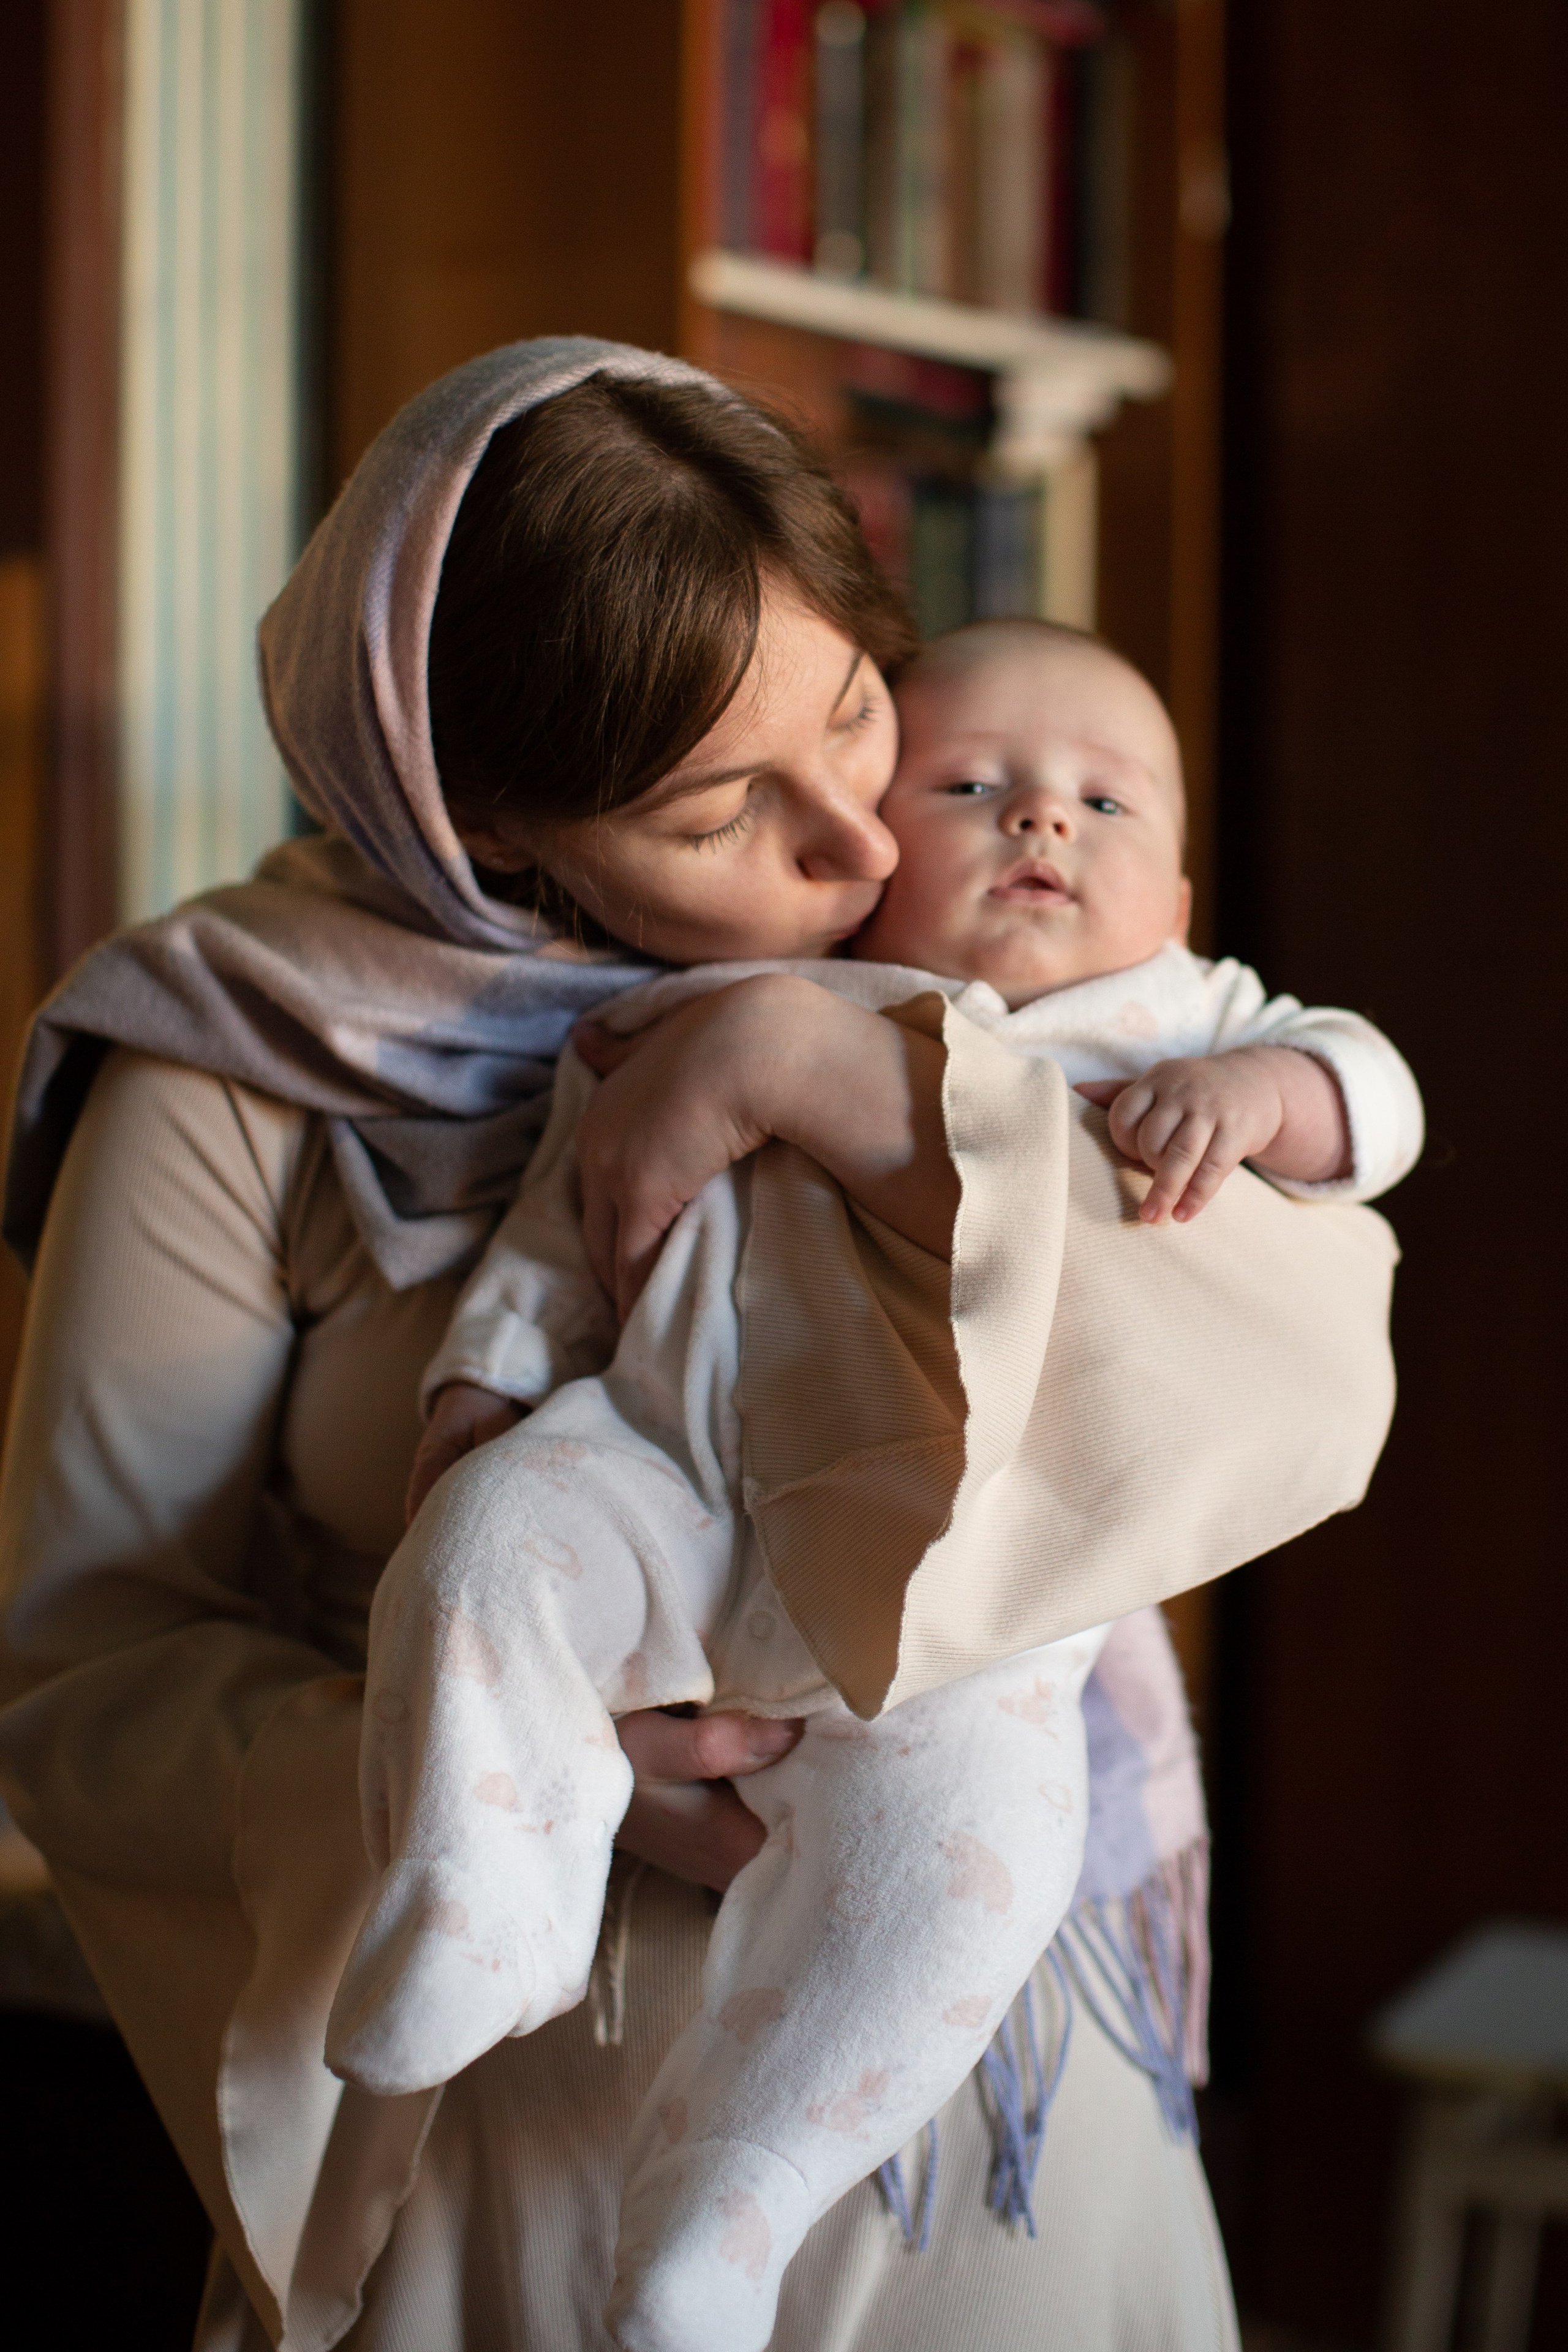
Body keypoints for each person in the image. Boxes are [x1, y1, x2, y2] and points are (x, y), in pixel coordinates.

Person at [0, 339, 1378, 2352]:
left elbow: (1300, 1366)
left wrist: (822, 1070)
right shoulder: (243, 1074)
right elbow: (89, 1678)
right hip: (541, 2141)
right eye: (728, 807)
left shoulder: (998, 982)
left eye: (857, 710)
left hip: (1002, 2099)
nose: (857, 846)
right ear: (492, 826)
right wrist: (491, 1764)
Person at [345, 619, 1419, 2352]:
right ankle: (488, 1898)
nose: (1042, 828)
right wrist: (481, 1393)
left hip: (960, 1616)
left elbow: (1376, 1103)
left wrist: (1263, 1090)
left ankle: (727, 2213)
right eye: (972, 786)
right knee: (480, 1548)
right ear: (860, 856)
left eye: (1102, 802)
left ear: (1185, 886)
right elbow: (560, 1234)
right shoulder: (711, 1007)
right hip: (667, 1491)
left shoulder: (1172, 1030)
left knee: (969, 1864)